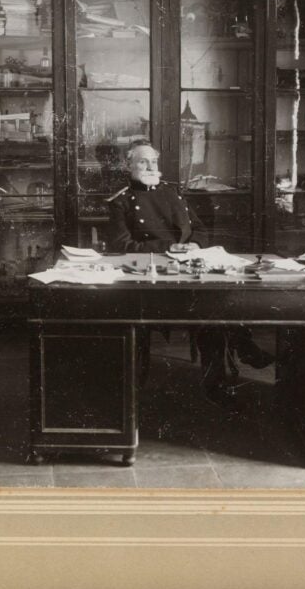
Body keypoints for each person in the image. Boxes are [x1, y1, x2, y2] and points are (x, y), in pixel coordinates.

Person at [105, 141, 273, 411]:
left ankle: (216, 381)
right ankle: (242, 346)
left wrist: (195, 244)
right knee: (210, 311)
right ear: (128, 166)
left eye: (153, 162)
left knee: (215, 303)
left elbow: (199, 228)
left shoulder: (173, 194)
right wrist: (168, 247)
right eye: (143, 162)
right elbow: (121, 246)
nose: (150, 167)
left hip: (191, 266)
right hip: (155, 278)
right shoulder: (122, 201)